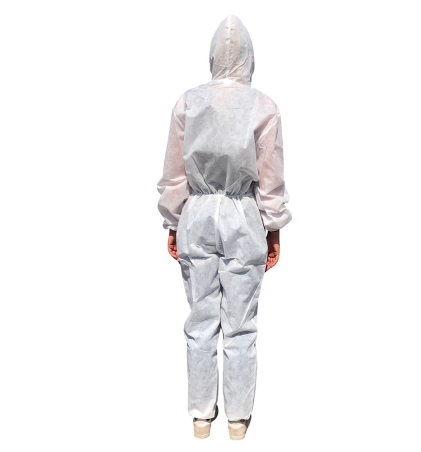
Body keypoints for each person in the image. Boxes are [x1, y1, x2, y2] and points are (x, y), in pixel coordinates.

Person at [157, 14, 292, 440]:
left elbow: (174, 172)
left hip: (196, 215)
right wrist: (273, 228)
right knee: (241, 323)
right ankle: (237, 420)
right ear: (250, 57)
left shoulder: (188, 102)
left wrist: (173, 222)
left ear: (212, 56)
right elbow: (269, 176)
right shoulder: (263, 106)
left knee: (200, 320)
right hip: (243, 218)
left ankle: (201, 418)